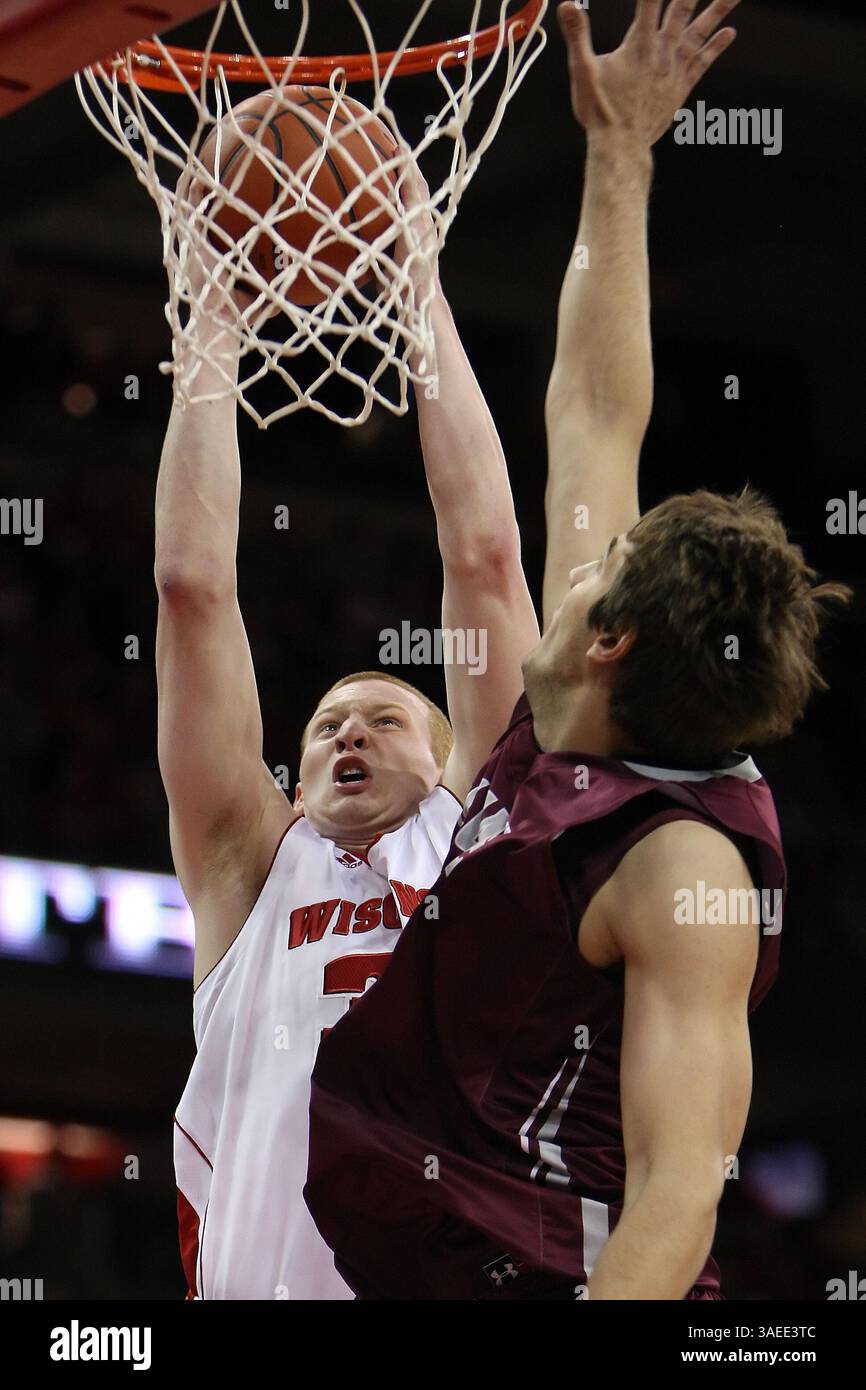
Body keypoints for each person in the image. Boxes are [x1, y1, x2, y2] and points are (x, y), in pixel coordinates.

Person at [304, 0, 852, 1299]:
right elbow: (600, 407)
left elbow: (676, 1192)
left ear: (604, 643)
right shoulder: (593, 703)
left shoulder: (680, 876)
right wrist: (619, 149)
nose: (576, 547)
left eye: (592, 569)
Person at [158, 166, 539, 1297]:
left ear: (448, 760)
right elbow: (190, 584)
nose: (345, 736)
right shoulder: (248, 867)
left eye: (382, 717)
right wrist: (213, 307)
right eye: (324, 725)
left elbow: (481, 558)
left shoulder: (480, 840)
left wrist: (417, 283)